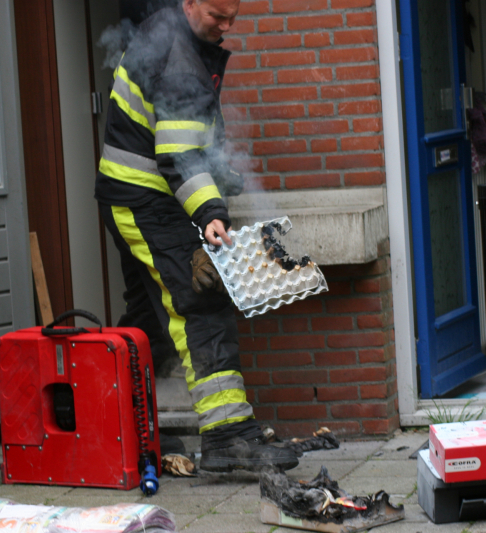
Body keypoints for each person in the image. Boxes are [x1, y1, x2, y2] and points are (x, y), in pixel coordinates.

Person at [95, 0, 298, 472]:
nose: (227, 27)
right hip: (145, 199)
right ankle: (228, 437)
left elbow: (191, 136)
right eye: (218, 17)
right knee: (200, 300)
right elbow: (180, 154)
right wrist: (210, 209)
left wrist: (222, 173)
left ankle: (116, 419)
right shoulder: (177, 57)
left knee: (150, 317)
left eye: (233, 16)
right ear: (189, 3)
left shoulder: (177, 34)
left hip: (137, 192)